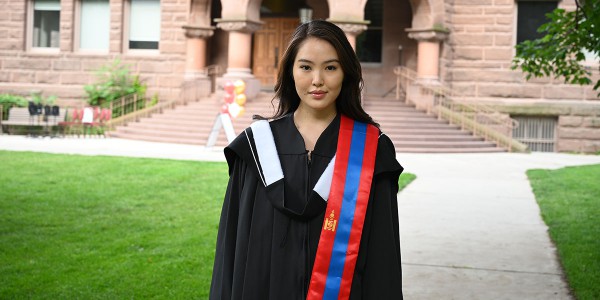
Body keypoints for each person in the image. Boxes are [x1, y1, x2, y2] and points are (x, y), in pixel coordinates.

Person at [210, 20, 404, 299]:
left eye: (330, 67)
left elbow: (382, 257)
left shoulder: (370, 151)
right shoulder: (256, 148)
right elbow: (231, 250)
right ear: (290, 71)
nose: (317, 80)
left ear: (346, 73)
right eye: (305, 67)